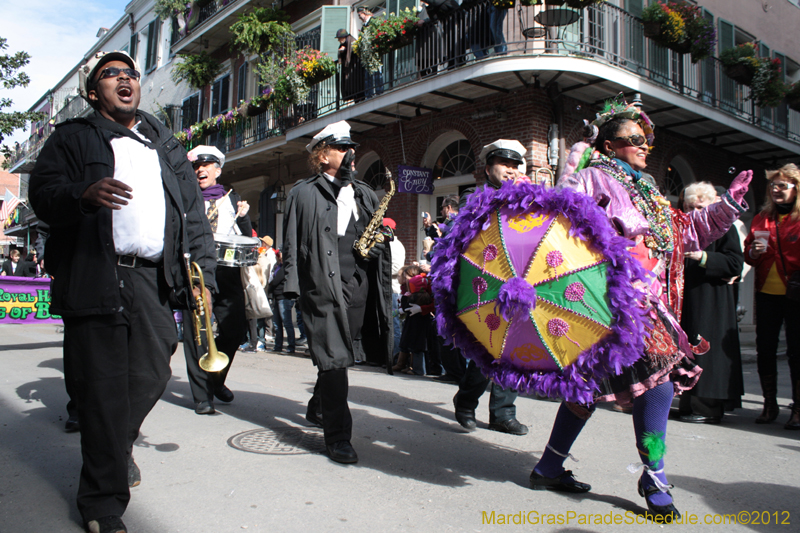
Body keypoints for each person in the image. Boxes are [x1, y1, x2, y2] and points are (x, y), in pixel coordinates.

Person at [529, 99, 751, 522]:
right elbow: (561, 220)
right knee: (638, 384)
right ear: (610, 146)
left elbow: (686, 233)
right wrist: (576, 160)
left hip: (650, 303)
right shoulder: (594, 177)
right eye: (634, 138)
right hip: (609, 303)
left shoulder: (648, 190)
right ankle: (644, 477)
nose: (645, 144)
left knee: (622, 386)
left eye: (647, 138)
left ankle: (560, 467)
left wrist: (726, 206)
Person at [29, 50, 216, 533]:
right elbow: (42, 194)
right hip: (97, 271)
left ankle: (115, 444)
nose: (124, 79)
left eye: (130, 73)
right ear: (95, 93)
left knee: (153, 372)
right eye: (111, 74)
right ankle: (102, 503)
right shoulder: (73, 136)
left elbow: (193, 216)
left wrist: (205, 280)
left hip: (154, 278)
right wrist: (81, 194)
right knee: (103, 388)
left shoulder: (165, 144)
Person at [282, 120, 392, 464]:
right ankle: (338, 437)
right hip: (321, 287)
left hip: (357, 285)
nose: (350, 153)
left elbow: (378, 233)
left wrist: (379, 244)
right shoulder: (303, 193)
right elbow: (291, 242)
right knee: (335, 360)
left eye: (351, 147)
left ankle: (317, 405)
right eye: (342, 148)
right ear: (322, 155)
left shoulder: (365, 193)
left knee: (336, 358)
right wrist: (291, 287)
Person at [451, 140, 531, 436]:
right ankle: (466, 401)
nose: (510, 170)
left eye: (514, 166)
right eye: (504, 164)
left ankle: (503, 413)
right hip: (485, 283)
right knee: (487, 347)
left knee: (515, 350)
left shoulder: (526, 199)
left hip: (519, 283)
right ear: (488, 169)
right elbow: (471, 228)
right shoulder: (473, 197)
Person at [182, 145, 252, 415]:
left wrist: (244, 218)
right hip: (197, 271)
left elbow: (245, 237)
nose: (200, 170)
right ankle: (202, 396)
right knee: (197, 332)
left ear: (217, 170)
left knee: (235, 330)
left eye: (206, 166)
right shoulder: (187, 199)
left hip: (226, 272)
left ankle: (215, 378)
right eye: (197, 166)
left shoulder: (232, 199)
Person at [677, 182, 744, 424]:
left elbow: (735, 263)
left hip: (711, 300)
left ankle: (708, 407)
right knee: (687, 352)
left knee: (706, 352)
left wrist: (703, 256)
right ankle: (688, 403)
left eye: (700, 207)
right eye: (690, 207)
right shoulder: (681, 226)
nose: (694, 212)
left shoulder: (724, 227)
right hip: (686, 298)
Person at [744, 163, 800, 430]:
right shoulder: (762, 218)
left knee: (796, 352)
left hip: (796, 294)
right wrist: (753, 252)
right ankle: (769, 404)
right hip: (767, 292)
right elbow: (749, 255)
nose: (776, 190)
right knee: (765, 349)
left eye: (782, 185)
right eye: (773, 185)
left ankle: (798, 408)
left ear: (796, 189)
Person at [385, 217, 406, 358]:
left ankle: (396, 356)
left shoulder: (395, 246)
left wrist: (379, 270)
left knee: (394, 324)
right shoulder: (388, 244)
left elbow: (397, 268)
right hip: (387, 289)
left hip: (393, 290)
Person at [268, 249, 296, 354]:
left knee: (287, 323)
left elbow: (275, 281)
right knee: (276, 323)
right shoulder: (277, 266)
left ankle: (291, 346)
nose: (278, 255)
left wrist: (270, 284)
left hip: (284, 297)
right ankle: (278, 346)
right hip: (276, 297)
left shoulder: (286, 267)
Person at [357, 7, 384, 98]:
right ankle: (369, 94)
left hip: (374, 53)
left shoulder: (373, 21)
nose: (359, 17)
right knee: (368, 74)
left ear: (364, 13)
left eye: (359, 15)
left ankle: (378, 91)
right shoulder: (363, 26)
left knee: (376, 72)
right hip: (367, 54)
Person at [335, 29, 364, 102]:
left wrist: (345, 50)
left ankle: (358, 98)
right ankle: (355, 98)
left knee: (356, 87)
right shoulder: (344, 44)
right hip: (349, 71)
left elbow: (354, 52)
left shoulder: (352, 41)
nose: (338, 40)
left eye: (339, 38)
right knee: (351, 87)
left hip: (355, 71)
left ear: (344, 37)